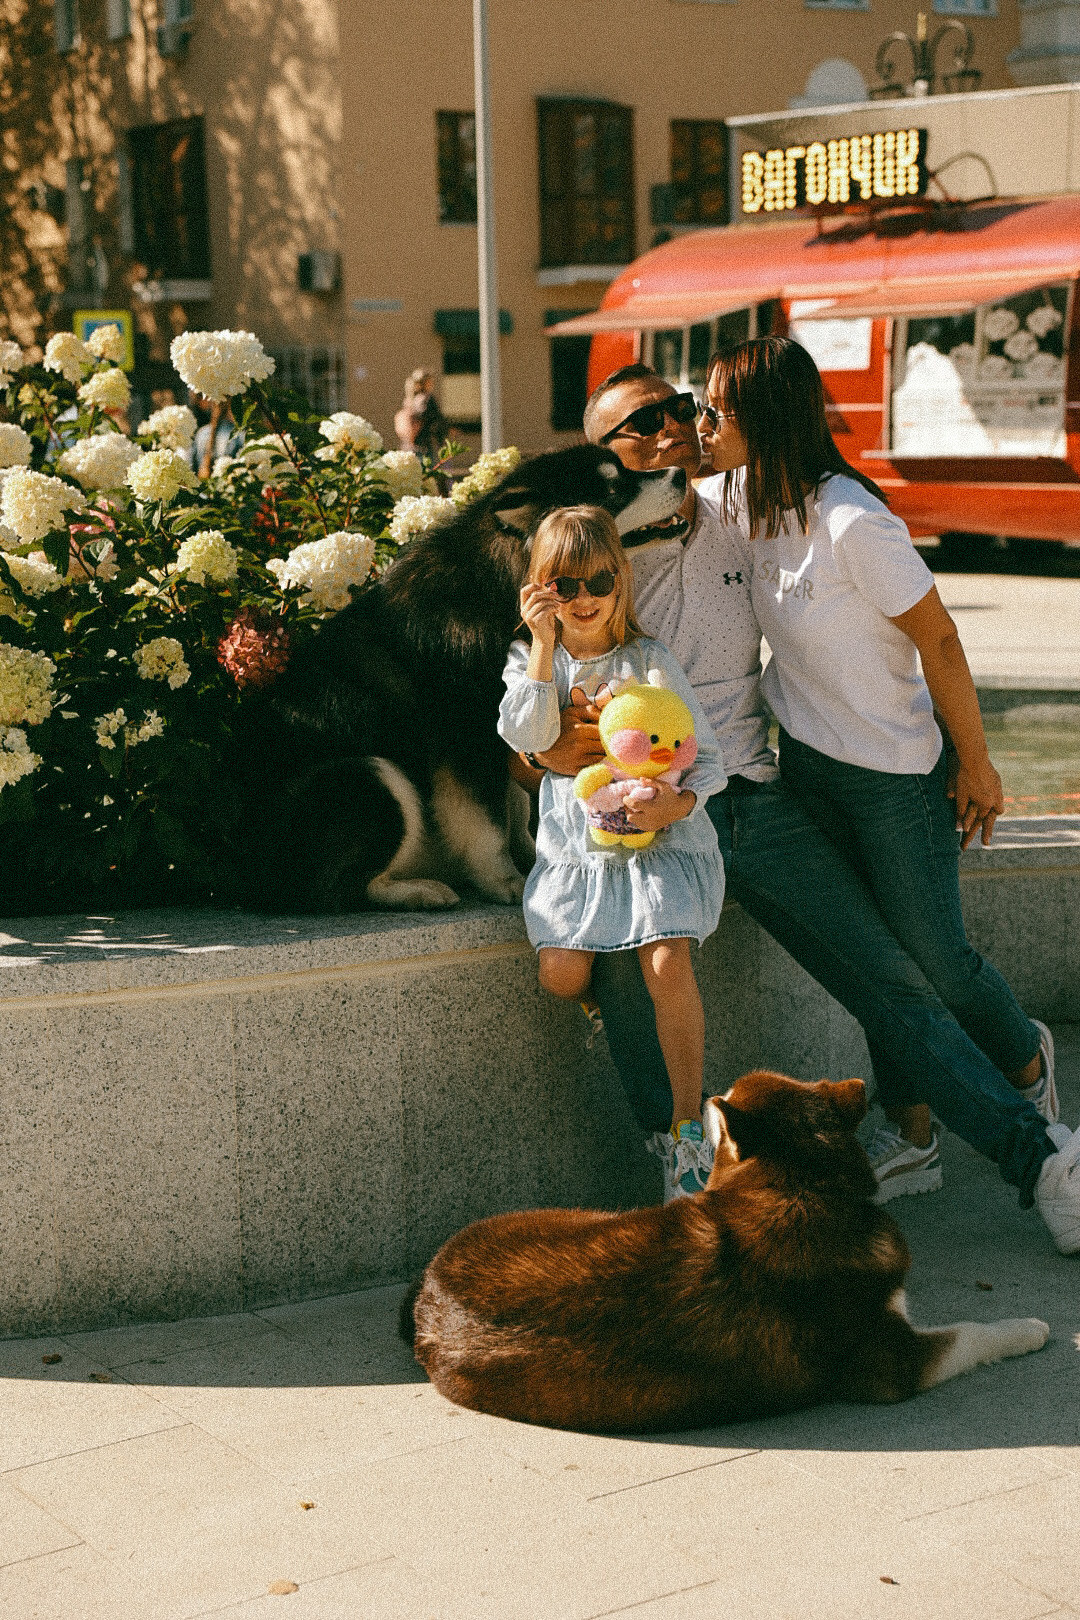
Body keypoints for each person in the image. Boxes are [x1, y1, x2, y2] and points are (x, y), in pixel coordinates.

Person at [516, 362, 1080, 1254]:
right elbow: (531, 729)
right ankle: (679, 1161)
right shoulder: (594, 558)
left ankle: (1041, 1159)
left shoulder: (741, 508)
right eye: (638, 425)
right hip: (640, 824)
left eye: (677, 411)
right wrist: (563, 756)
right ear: (602, 457)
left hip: (750, 799)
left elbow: (907, 620)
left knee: (891, 982)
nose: (669, 429)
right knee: (627, 972)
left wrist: (968, 753)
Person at [699, 334, 1056, 1179]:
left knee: (937, 958)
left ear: (767, 416)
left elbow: (940, 639)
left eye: (717, 409)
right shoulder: (738, 501)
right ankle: (915, 1134)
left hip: (897, 779)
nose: (702, 423)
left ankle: (1028, 1065)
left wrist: (976, 762)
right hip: (810, 771)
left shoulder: (856, 521)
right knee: (880, 967)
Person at [498, 505, 728, 1201]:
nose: (585, 598)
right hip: (579, 858)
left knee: (666, 959)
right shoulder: (531, 662)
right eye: (565, 585)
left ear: (621, 580)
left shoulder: (649, 661)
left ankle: (688, 1131)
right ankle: (609, 1010)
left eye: (599, 579)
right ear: (540, 589)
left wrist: (677, 803)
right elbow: (527, 734)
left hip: (658, 845)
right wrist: (541, 647)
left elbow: (705, 758)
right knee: (563, 975)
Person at [395, 368, 449, 462]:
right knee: (427, 472)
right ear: (425, 382)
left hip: (408, 446)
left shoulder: (409, 400)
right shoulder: (427, 399)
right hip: (424, 445)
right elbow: (434, 419)